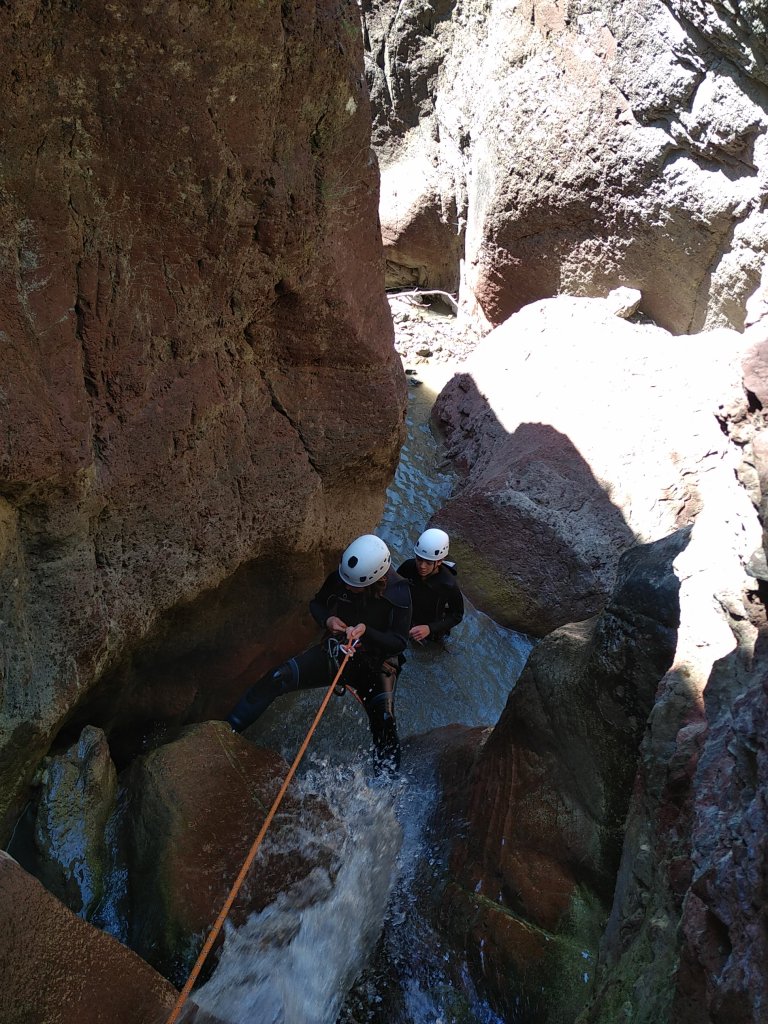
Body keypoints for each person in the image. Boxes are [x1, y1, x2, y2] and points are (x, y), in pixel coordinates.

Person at [227, 534, 411, 773]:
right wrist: (328, 620)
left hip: (377, 665)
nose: (346, 587)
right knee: (277, 677)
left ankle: (387, 783)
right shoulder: (344, 577)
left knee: (385, 721)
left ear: (374, 579)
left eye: (353, 586)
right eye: (346, 581)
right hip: (339, 650)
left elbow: (398, 642)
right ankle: (227, 730)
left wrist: (367, 632)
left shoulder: (399, 593)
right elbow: (317, 604)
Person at [397, 528, 464, 645]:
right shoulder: (408, 566)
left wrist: (430, 628)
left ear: (439, 561)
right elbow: (394, 586)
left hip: (431, 629)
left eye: (428, 563)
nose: (422, 566)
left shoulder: (448, 584)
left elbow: (457, 615)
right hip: (409, 617)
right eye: (419, 559)